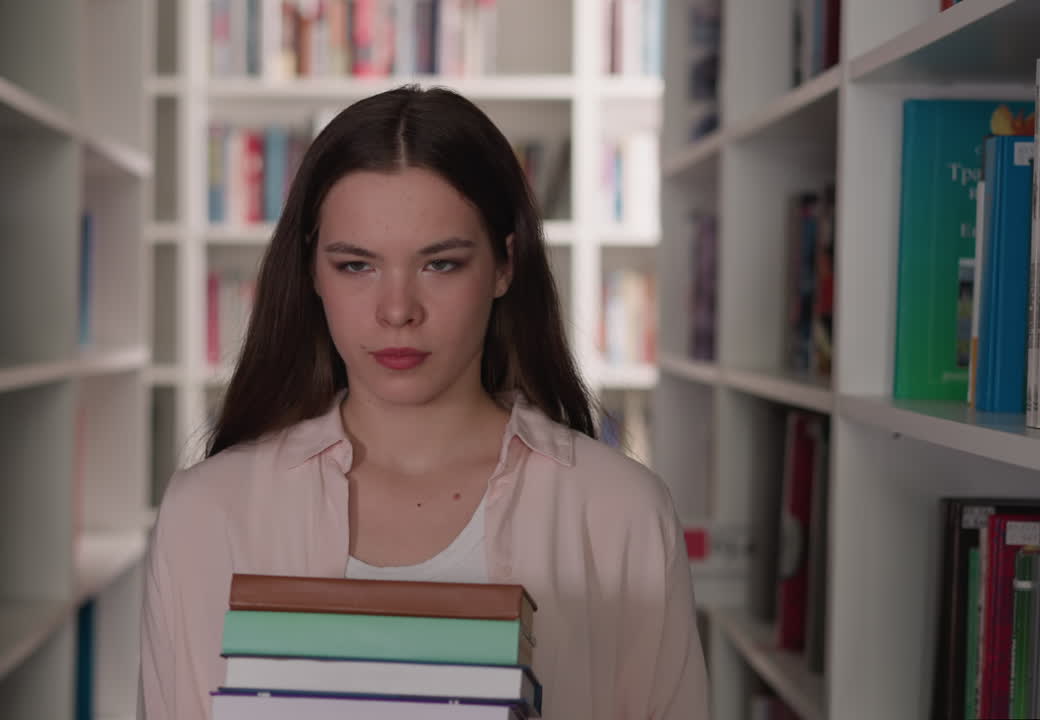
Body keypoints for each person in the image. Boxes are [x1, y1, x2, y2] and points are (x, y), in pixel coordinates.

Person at [139, 84, 709, 719]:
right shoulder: (205, 515)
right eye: (357, 265)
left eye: (440, 264)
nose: (397, 311)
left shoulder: (621, 515)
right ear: (310, 272)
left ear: (503, 266)